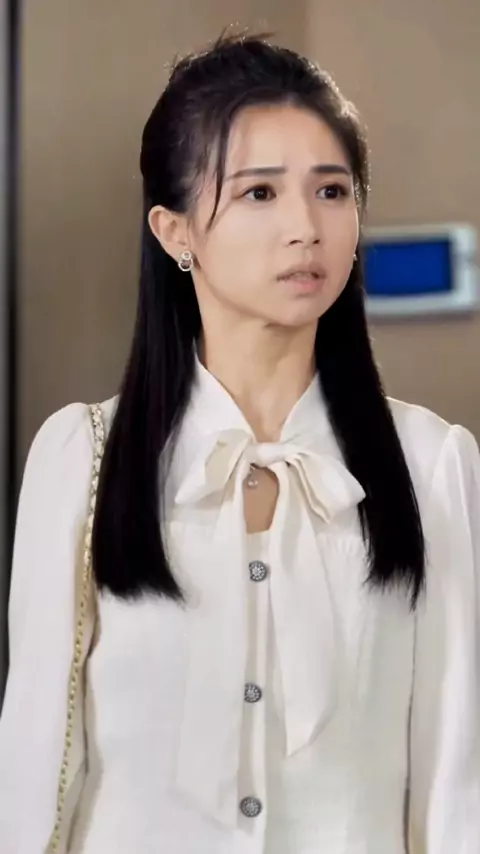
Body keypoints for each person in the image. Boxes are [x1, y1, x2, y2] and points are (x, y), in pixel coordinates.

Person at [0, 31, 479, 854]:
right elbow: (34, 776)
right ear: (174, 231)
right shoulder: (82, 457)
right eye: (260, 193)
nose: (305, 226)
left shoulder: (433, 466)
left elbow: (458, 789)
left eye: (332, 190)